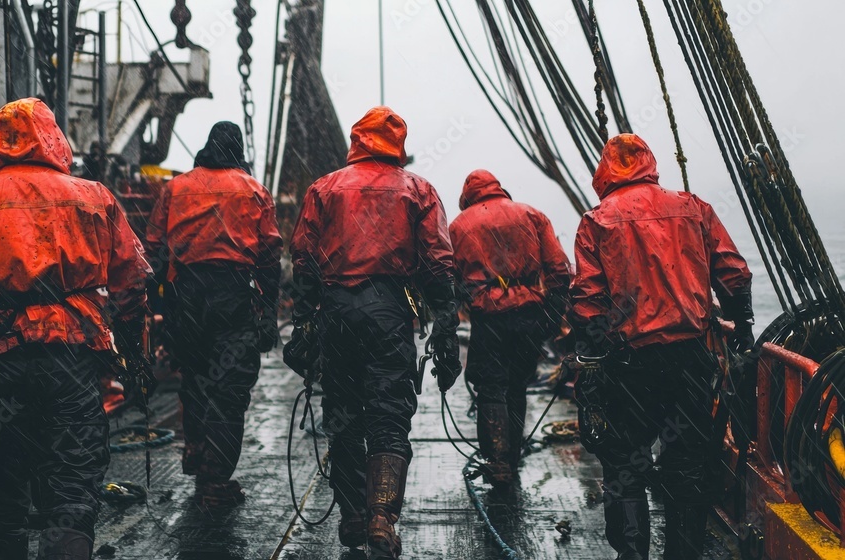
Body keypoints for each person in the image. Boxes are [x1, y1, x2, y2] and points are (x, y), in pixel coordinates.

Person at [0, 98, 151, 560]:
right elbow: (132, 278)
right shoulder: (93, 197)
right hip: (72, 361)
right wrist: (133, 350)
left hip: (0, 363)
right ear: (53, 136)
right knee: (72, 487)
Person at [287, 106, 462, 559]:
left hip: (337, 310)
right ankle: (382, 518)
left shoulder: (324, 188)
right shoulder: (417, 190)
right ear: (397, 143)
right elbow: (438, 261)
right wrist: (445, 323)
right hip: (388, 310)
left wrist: (304, 319)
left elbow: (303, 257)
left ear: (357, 140)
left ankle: (351, 515)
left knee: (344, 415)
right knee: (388, 413)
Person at [568, 134, 753, 560]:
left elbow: (589, 301)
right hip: (690, 359)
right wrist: (742, 325)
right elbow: (734, 272)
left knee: (625, 464)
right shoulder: (692, 207)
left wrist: (591, 369)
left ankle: (632, 553)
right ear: (649, 163)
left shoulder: (597, 220)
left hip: (630, 365)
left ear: (605, 170)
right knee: (688, 464)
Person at [145, 121, 283, 507]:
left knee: (194, 379)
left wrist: (157, 309)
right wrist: (268, 312)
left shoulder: (176, 187)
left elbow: (153, 249)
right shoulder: (253, 190)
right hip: (231, 296)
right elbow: (270, 257)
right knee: (229, 390)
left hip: (184, 295)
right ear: (237, 150)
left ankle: (195, 448)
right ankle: (214, 480)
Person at [448, 169, 571, 488]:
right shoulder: (532, 215)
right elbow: (559, 269)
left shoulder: (460, 225)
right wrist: (553, 313)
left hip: (489, 319)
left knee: (490, 387)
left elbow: (449, 277)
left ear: (468, 196)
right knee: (517, 385)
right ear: (498, 189)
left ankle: (497, 463)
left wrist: (464, 299)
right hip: (530, 314)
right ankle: (512, 457)